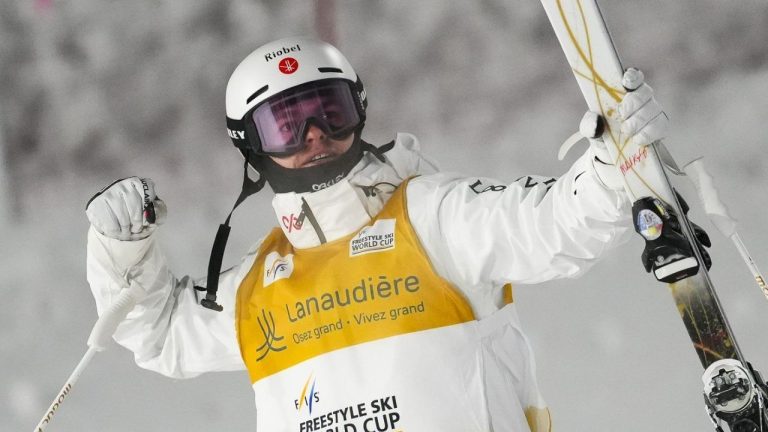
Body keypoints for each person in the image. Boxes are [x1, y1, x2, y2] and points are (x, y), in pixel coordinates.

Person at [85, 37, 668, 431]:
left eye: (328, 111)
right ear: (251, 146)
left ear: (358, 110)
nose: (314, 135)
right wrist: (122, 249)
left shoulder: (436, 218)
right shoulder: (255, 288)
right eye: (286, 125)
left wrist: (614, 164)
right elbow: (160, 333)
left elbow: (557, 224)